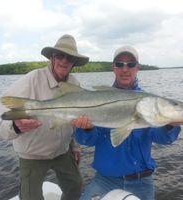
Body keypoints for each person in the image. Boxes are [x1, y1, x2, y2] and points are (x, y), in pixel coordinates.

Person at [71, 46, 182, 200]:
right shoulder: (100, 98)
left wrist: (171, 124)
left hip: (142, 181)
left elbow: (163, 138)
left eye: (130, 64)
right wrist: (87, 129)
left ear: (137, 68)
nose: (125, 69)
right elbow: (87, 141)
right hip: (104, 180)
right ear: (113, 68)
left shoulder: (149, 102)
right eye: (119, 64)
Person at [0, 34, 89, 200]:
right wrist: (16, 127)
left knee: (75, 186)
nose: (64, 61)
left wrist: (75, 146)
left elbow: (74, 118)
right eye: (60, 55)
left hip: (62, 152)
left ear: (74, 63)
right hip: (33, 154)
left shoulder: (75, 85)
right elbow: (2, 108)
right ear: (52, 57)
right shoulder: (32, 79)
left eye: (70, 58)